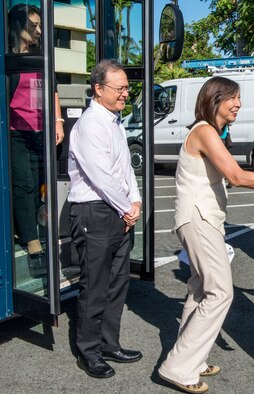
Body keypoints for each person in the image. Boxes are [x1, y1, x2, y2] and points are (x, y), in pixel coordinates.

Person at [157, 76, 254, 394]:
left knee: (200, 290)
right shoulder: (203, 130)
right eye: (234, 97)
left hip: (205, 220)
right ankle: (177, 366)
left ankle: (192, 359)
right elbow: (237, 176)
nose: (239, 104)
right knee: (220, 293)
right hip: (198, 220)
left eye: (239, 98)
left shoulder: (211, 131)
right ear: (215, 98)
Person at [68, 59, 142, 379]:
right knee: (95, 286)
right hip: (95, 212)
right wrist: (127, 208)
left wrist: (135, 200)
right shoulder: (89, 124)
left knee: (117, 283)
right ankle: (89, 352)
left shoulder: (114, 121)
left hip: (117, 209)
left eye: (127, 87)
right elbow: (100, 177)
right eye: (120, 88)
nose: (126, 93)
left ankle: (109, 343)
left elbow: (124, 169)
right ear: (99, 89)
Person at [8, 3, 64, 275]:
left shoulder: (41, 56)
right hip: (15, 132)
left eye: (40, 25)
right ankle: (32, 244)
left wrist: (58, 120)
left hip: (39, 131)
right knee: (23, 185)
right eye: (33, 25)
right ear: (18, 27)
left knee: (38, 186)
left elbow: (52, 90)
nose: (39, 30)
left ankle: (27, 231)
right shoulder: (8, 57)